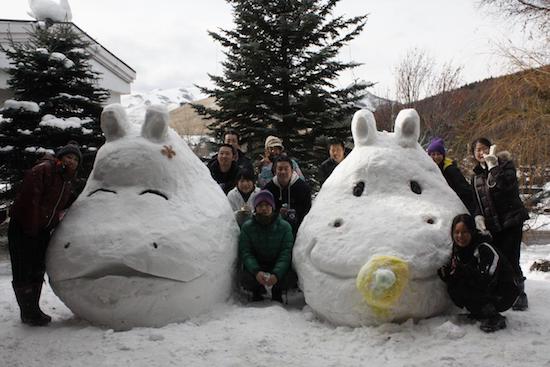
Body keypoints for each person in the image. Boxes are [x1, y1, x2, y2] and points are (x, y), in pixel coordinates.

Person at [8, 142, 82, 326]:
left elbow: (59, 205)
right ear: (60, 157)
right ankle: (28, 312)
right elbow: (29, 199)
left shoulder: (66, 181)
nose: (71, 161)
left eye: (75, 159)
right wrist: (31, 228)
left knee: (37, 268)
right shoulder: (44, 169)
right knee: (24, 270)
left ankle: (33, 309)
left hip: (41, 229)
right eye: (68, 157)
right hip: (23, 227)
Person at [470, 138, 529, 311]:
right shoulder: (475, 177)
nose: (481, 153)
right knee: (499, 260)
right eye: (477, 150)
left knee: (512, 258)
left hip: (511, 221)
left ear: (491, 149)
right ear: (473, 154)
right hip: (493, 225)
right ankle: (504, 291)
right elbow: (476, 202)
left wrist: (493, 167)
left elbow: (504, 188)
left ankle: (519, 294)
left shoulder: (505, 166)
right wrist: (478, 217)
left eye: (484, 148)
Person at [438, 214, 519, 332]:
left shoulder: (484, 248)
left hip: (503, 293)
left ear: (472, 231)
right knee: (455, 285)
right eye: (457, 232)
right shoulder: (458, 250)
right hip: (483, 288)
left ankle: (492, 315)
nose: (460, 236)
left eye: (465, 232)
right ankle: (480, 312)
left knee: (466, 284)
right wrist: (448, 275)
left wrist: (463, 272)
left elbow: (487, 279)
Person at [238, 190, 296, 302]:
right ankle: (257, 290)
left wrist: (276, 274)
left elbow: (286, 252)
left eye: (267, 205)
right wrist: (256, 271)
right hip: (258, 265)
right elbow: (246, 252)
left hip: (276, 264)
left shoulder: (284, 227)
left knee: (291, 277)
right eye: (260, 205)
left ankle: (277, 291)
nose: (264, 208)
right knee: (245, 278)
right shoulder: (247, 227)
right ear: (255, 208)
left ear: (273, 207)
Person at [264, 156, 312, 236]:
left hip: (298, 231)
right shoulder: (268, 189)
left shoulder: (303, 188)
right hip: (273, 231)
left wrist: (294, 213)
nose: (283, 172)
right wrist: (277, 213)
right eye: (280, 169)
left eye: (286, 169)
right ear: (275, 171)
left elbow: (307, 211)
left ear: (292, 170)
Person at [426, 137, 474, 213]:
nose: (436, 157)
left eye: (438, 154)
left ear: (443, 155)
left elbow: (464, 189)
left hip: (460, 205)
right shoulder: (430, 169)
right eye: (433, 154)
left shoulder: (450, 169)